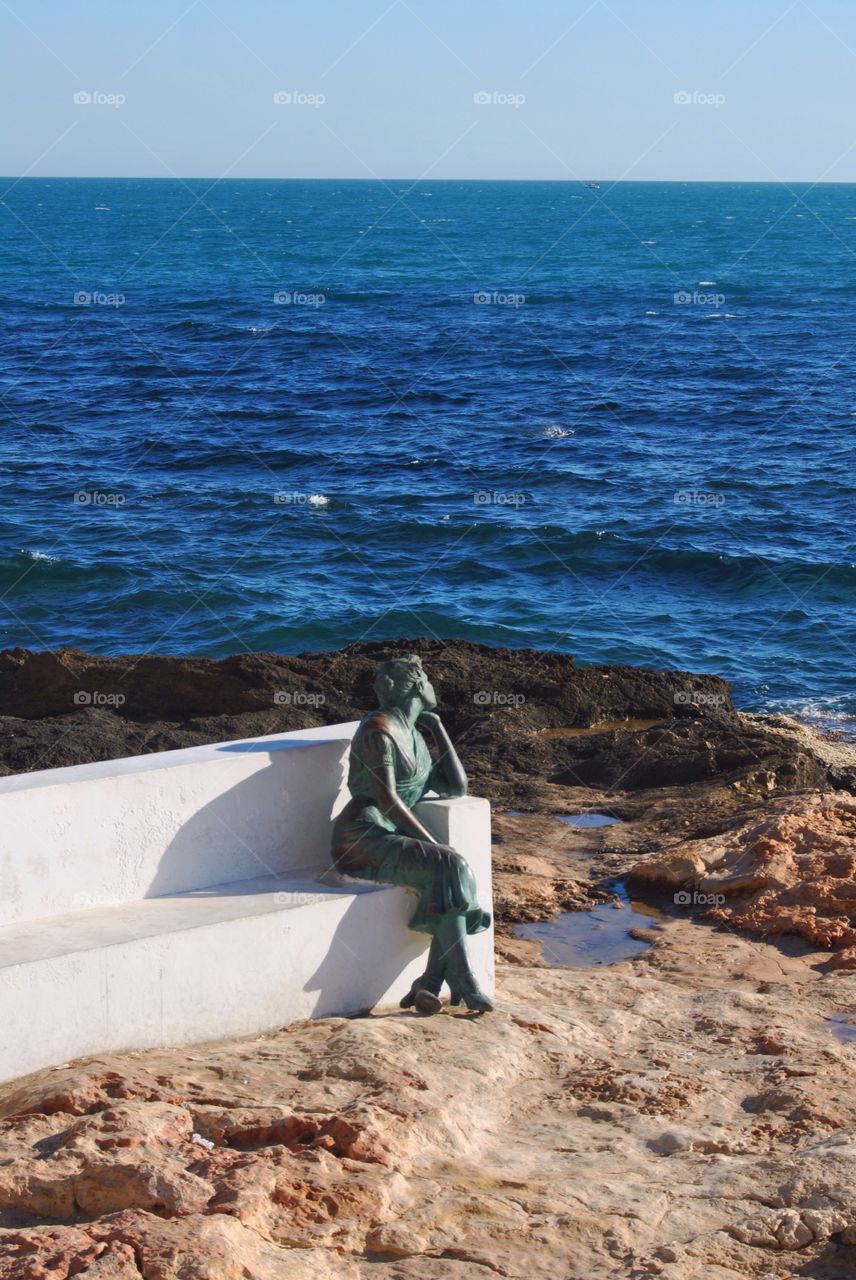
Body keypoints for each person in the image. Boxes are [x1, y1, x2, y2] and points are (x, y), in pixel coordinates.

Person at [330, 654, 493, 1013]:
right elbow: (387, 799)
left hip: (388, 834)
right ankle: (461, 977)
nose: (435, 688)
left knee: (451, 870)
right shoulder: (379, 730)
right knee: (450, 865)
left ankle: (432, 981)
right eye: (430, 681)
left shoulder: (415, 736)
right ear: (419, 686)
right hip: (361, 836)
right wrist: (434, 845)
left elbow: (455, 786)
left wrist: (437, 729)